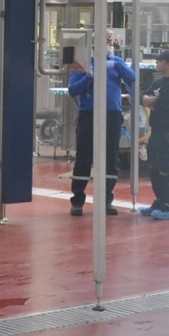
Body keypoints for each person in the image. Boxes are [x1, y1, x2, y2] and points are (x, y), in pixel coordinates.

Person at [66, 45, 135, 216]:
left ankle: (106, 200)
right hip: (89, 115)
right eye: (105, 41)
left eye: (110, 41)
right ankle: (77, 201)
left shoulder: (116, 62)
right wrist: (88, 77)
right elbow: (72, 90)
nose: (109, 45)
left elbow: (132, 77)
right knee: (84, 158)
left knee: (110, 158)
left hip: (112, 116)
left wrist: (116, 65)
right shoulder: (83, 64)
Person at [139, 49, 169, 220]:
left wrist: (151, 100)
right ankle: (160, 202)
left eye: (160, 61)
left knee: (167, 169)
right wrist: (152, 100)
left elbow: (160, 105)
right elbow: (142, 98)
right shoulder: (159, 82)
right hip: (157, 131)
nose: (156, 63)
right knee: (155, 169)